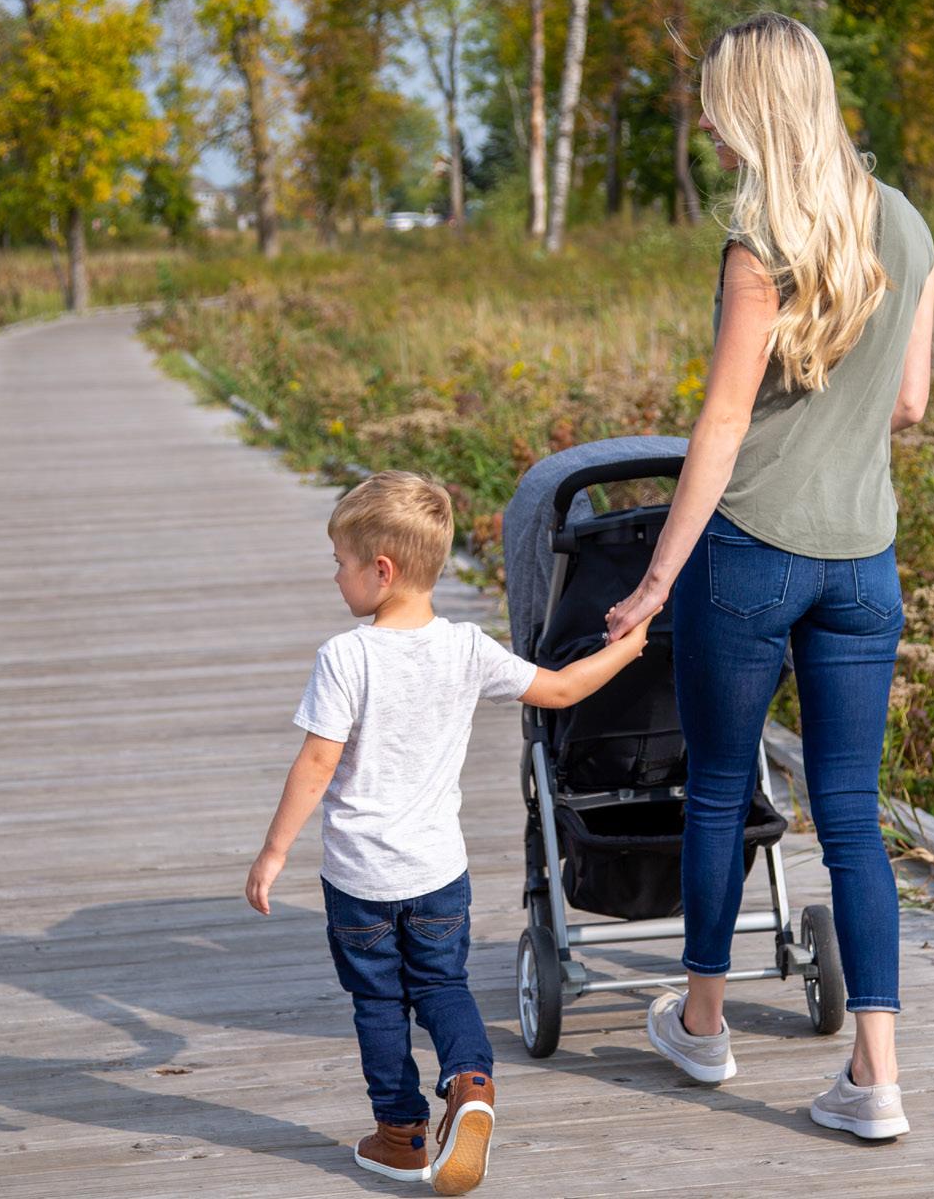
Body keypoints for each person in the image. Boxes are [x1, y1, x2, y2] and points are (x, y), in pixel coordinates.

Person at [604, 12, 934, 1141]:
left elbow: (722, 422)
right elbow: (908, 403)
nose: (705, 125)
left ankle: (702, 1024)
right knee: (850, 812)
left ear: (752, 110)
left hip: (751, 548)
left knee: (713, 784)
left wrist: (656, 579)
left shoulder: (759, 244)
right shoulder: (906, 225)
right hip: (864, 559)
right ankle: (875, 1076)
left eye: (714, 106)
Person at [244, 470, 656, 1191]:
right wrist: (628, 644)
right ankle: (470, 1082)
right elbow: (560, 689)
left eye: (340, 562)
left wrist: (273, 852)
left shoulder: (346, 656)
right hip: (437, 873)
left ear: (381, 570)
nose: (334, 576)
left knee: (378, 1004)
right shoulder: (467, 647)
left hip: (360, 880)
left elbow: (316, 762)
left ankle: (401, 1136)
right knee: (442, 986)